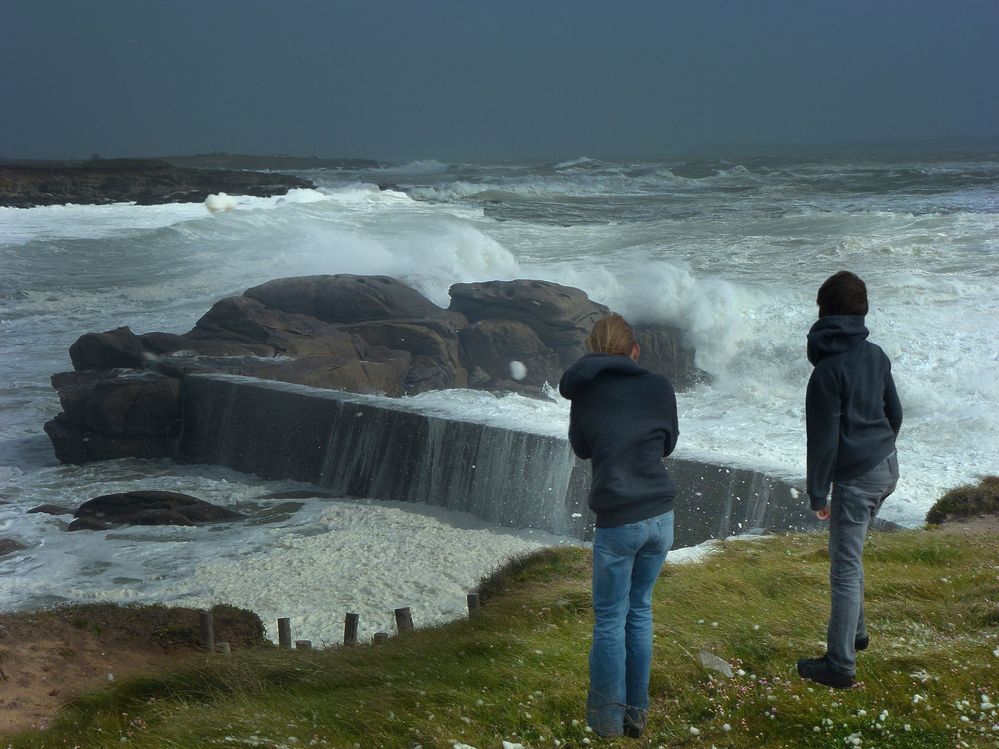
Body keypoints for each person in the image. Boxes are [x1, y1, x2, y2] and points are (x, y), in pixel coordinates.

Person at [558, 313, 679, 738]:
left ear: (593, 350)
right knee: (639, 611)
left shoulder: (586, 392)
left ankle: (607, 724)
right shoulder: (659, 386)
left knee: (610, 620)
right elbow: (668, 441)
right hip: (660, 516)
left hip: (618, 519)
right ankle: (636, 716)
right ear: (634, 350)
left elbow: (581, 447)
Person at [797, 270, 902, 688]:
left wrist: (817, 492)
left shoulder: (826, 373)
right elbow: (895, 414)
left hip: (857, 479)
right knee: (852, 557)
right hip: (887, 467)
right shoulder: (876, 354)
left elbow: (822, 443)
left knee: (842, 568)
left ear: (824, 312)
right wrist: (876, 447)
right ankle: (856, 635)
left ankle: (839, 666)